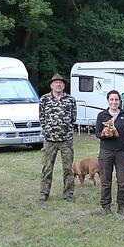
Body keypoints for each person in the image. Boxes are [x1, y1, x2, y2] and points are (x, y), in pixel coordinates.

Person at [38, 73, 77, 205]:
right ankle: (44, 194)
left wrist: (66, 129)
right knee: (47, 168)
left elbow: (73, 118)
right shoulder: (44, 99)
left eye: (60, 82)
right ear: (51, 85)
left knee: (68, 169)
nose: (58, 84)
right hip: (50, 140)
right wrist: (49, 130)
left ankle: (68, 194)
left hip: (66, 140)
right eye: (56, 82)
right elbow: (41, 117)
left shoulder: (70, 100)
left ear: (64, 85)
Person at [95, 90, 124, 215]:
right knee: (106, 180)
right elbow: (97, 133)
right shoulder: (102, 115)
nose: (114, 102)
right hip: (106, 151)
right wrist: (105, 135)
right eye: (111, 99)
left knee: (122, 180)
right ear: (108, 101)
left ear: (119, 101)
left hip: (122, 152)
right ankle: (106, 206)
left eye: (116, 99)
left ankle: (122, 206)